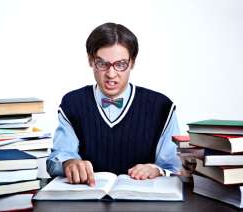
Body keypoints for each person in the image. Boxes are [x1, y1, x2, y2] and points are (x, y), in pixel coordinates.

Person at [47, 22, 182, 186]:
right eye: (102, 64)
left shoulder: (162, 106)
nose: (111, 74)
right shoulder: (72, 103)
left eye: (120, 64)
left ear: (132, 63)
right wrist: (68, 162)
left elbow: (175, 166)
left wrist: (157, 169)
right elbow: (55, 160)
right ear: (91, 61)